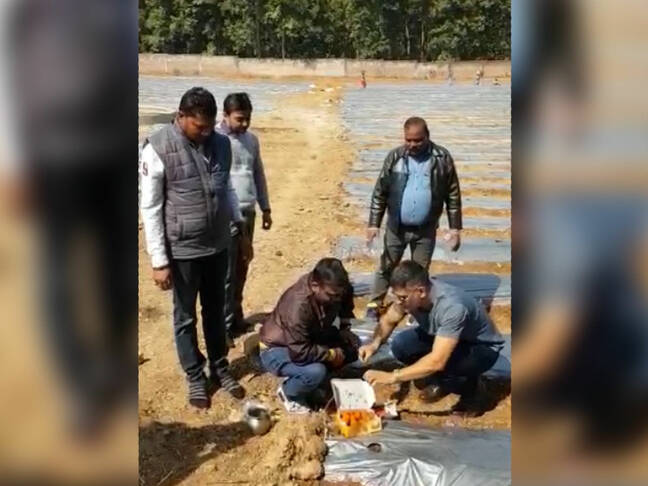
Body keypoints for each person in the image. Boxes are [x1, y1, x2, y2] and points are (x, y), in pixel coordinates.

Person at [139, 87, 245, 409]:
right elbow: (151, 207)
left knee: (216, 309)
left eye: (210, 126)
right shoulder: (158, 148)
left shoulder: (221, 144)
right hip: (183, 250)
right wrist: (159, 260)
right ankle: (194, 374)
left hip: (217, 245)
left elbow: (226, 188)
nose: (206, 132)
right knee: (185, 316)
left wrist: (239, 226)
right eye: (199, 127)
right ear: (181, 116)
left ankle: (219, 366)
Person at [362, 261, 504, 413]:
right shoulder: (408, 297)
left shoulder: (452, 307)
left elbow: (437, 361)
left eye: (402, 298)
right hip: (444, 335)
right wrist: (374, 344)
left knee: (450, 364)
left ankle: (471, 388)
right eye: (395, 296)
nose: (398, 302)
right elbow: (390, 319)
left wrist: (393, 377)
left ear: (421, 291)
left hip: (480, 347)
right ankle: (437, 376)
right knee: (401, 345)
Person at [365, 117, 463, 320]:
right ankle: (375, 303)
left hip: (425, 229)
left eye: (417, 140)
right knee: (386, 266)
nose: (412, 145)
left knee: (419, 272)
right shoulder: (395, 157)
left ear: (427, 136)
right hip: (396, 227)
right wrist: (374, 224)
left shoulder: (442, 158)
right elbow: (380, 192)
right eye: (408, 140)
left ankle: (416, 309)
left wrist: (455, 229)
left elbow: (453, 194)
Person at [259, 258, 361, 413]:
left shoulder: (336, 288)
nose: (337, 299)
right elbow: (299, 352)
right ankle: (289, 393)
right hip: (279, 348)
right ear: (315, 286)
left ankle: (315, 384)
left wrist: (345, 328)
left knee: (352, 347)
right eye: (332, 296)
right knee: (315, 372)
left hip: (312, 336)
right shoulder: (297, 306)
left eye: (339, 295)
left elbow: (345, 301)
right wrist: (330, 354)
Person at [216, 92, 272, 342]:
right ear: (225, 115)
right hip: (227, 214)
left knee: (242, 266)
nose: (245, 124)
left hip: (249, 211)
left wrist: (265, 207)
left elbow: (257, 173)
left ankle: (236, 318)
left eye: (248, 118)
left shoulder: (251, 140)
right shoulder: (215, 140)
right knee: (227, 272)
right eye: (239, 119)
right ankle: (224, 327)